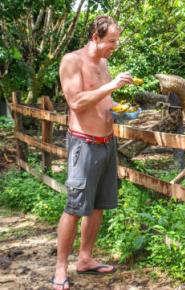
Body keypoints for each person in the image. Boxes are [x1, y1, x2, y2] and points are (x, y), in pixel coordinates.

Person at [52, 16, 133, 290]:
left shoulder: (104, 63)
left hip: (107, 143)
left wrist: (120, 108)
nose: (115, 46)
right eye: (112, 41)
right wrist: (112, 86)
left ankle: (85, 258)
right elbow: (76, 102)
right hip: (83, 144)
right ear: (96, 37)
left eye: (117, 40)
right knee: (74, 208)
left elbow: (102, 99)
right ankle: (60, 268)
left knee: (98, 207)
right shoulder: (71, 61)